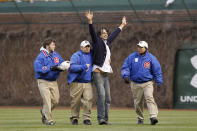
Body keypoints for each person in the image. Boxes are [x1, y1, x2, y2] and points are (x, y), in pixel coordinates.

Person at [85, 10, 127, 125]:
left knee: (108, 99)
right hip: (97, 72)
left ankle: (105, 119)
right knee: (102, 96)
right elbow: (92, 33)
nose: (105, 34)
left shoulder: (107, 43)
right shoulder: (96, 41)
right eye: (103, 33)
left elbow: (114, 34)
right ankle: (101, 119)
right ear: (99, 34)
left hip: (105, 74)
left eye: (106, 32)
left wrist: (122, 25)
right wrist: (90, 21)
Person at [121, 41, 163, 125]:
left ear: (146, 48)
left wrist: (159, 81)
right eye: (138, 47)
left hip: (147, 83)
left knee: (149, 98)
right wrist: (125, 75)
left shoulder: (151, 58)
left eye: (141, 47)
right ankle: (140, 118)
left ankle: (153, 117)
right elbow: (125, 66)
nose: (139, 48)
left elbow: (157, 70)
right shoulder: (132, 57)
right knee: (138, 102)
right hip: (135, 83)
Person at [34, 38, 66, 125]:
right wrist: (51, 68)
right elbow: (38, 69)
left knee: (56, 100)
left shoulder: (55, 54)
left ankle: (44, 112)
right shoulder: (41, 56)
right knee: (47, 101)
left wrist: (64, 66)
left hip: (53, 81)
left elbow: (61, 63)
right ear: (47, 46)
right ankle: (48, 120)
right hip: (43, 81)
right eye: (53, 45)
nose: (54, 46)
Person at [67, 40, 93, 125]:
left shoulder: (92, 55)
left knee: (88, 100)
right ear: (81, 47)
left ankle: (86, 118)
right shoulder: (76, 55)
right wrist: (83, 67)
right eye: (85, 46)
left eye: (88, 46)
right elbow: (72, 67)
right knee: (75, 101)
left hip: (87, 82)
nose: (87, 48)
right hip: (76, 82)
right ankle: (74, 118)